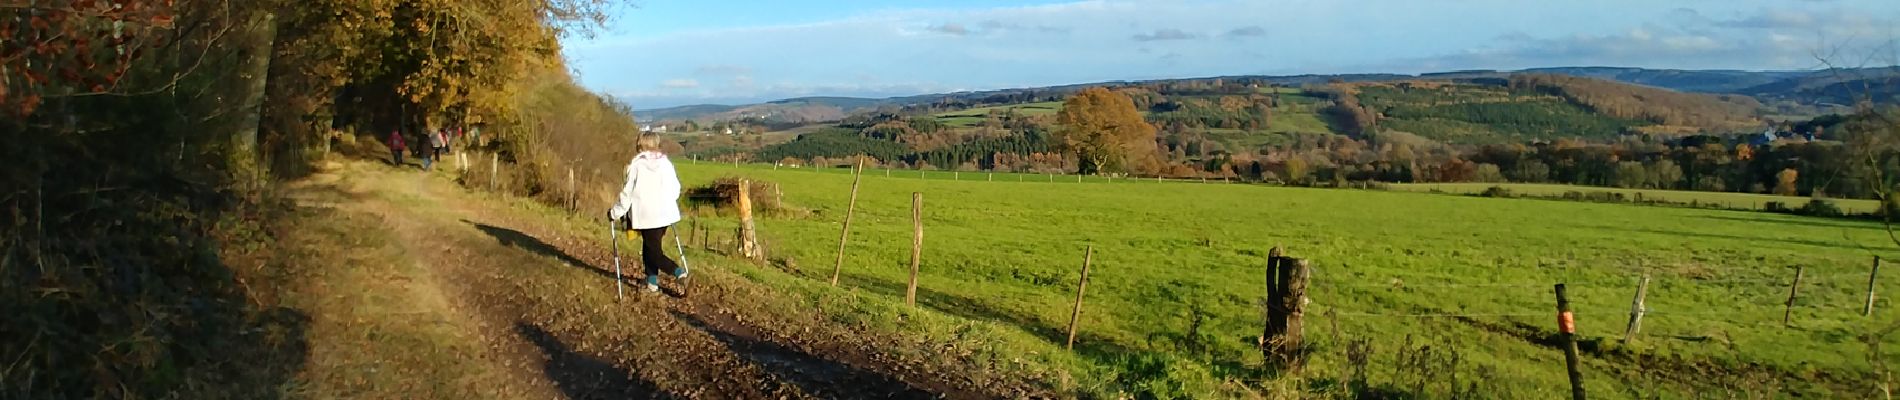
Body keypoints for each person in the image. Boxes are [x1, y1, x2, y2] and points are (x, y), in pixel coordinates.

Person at [608, 132, 686, 293]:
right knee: (650, 248)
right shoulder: (666, 164)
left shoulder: (635, 166)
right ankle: (651, 283)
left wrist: (614, 213)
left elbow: (627, 194)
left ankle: (680, 273)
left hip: (645, 215)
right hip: (665, 215)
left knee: (654, 252)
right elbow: (676, 189)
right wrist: (667, 203)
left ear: (640, 145)